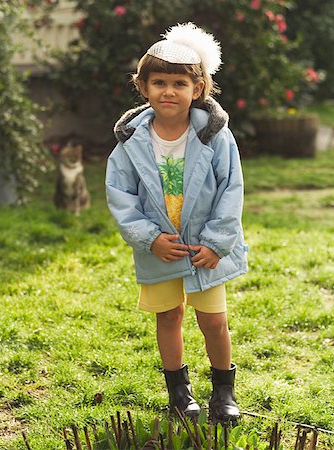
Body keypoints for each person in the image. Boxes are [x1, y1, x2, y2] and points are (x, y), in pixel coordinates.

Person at [105, 23, 248, 422]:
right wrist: (149, 239)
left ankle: (224, 391)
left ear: (198, 88)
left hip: (206, 249)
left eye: (180, 83)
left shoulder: (215, 136)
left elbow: (231, 188)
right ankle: (179, 394)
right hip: (161, 248)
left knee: (214, 321)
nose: (169, 91)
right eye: (159, 82)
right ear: (143, 86)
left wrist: (218, 242)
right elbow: (120, 195)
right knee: (168, 316)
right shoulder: (130, 141)